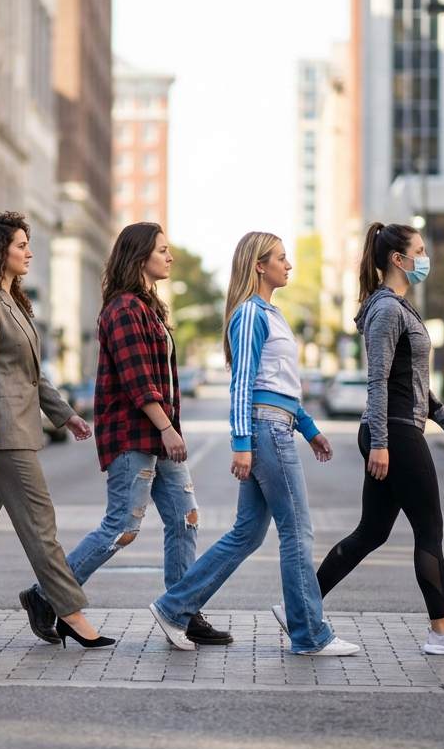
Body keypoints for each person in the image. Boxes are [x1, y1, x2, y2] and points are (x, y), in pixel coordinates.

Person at [149, 231, 359, 656]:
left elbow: (281, 387)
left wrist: (309, 427)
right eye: (281, 258)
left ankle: (174, 607)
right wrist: (240, 442)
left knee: (247, 534)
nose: (289, 264)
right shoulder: (249, 314)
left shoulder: (271, 313)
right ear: (259, 265)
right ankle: (309, 634)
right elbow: (243, 384)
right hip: (266, 432)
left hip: (277, 426)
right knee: (297, 531)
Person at [21, 222, 231, 646]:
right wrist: (169, 429)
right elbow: (139, 382)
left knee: (186, 520)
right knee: (122, 527)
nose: (169, 257)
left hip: (155, 434)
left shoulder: (148, 307)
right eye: (163, 251)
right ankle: (45, 595)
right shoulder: (123, 309)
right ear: (140, 258)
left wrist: (167, 430)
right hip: (134, 435)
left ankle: (181, 610)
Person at [312, 222, 444, 655]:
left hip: (395, 426)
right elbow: (377, 380)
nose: (425, 258)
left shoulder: (396, 307)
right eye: (421, 250)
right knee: (429, 529)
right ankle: (443, 631)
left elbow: (410, 381)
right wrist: (380, 441)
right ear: (399, 259)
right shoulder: (389, 310)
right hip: (393, 431)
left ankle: (300, 604)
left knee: (371, 531)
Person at [0, 212, 114, 649]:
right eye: (21, 245)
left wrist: (65, 414)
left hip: (16, 428)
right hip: (3, 434)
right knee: (40, 526)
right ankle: (70, 614)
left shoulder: (11, 302)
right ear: (0, 250)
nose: (29, 252)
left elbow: (30, 376)